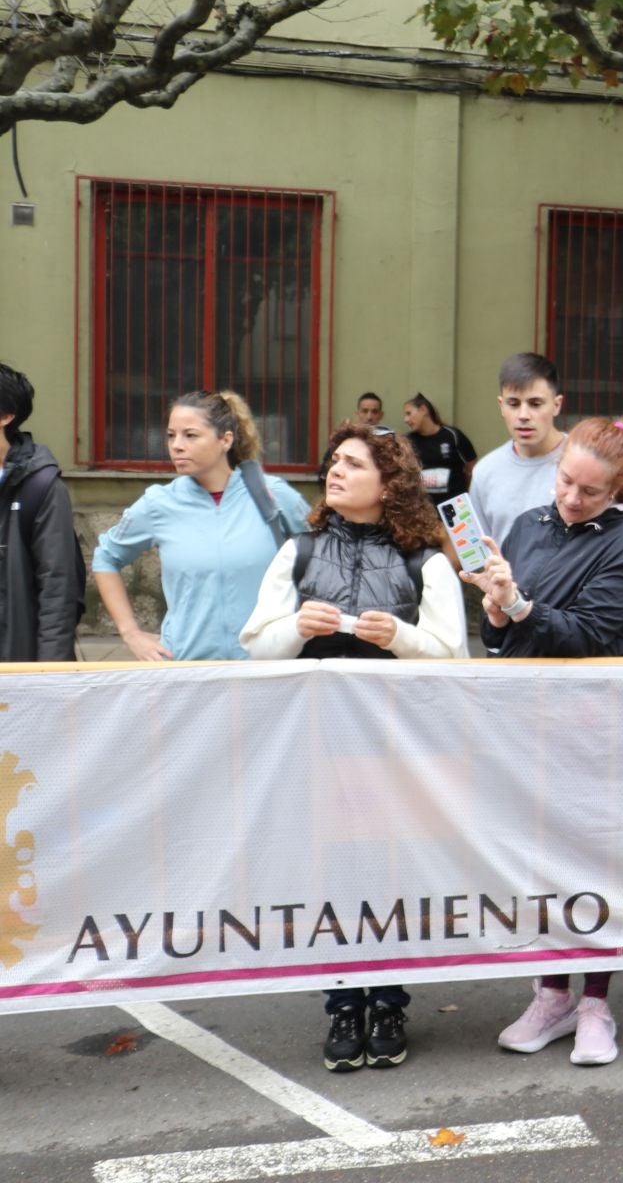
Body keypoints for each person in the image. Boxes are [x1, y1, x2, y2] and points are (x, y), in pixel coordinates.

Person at [238, 424, 468, 1072]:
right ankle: (343, 1005)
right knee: (332, 874)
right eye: (333, 461)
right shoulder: (299, 552)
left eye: (351, 464)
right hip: (317, 742)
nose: (334, 471)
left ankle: (390, 1001)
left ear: (388, 481)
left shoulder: (427, 563)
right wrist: (292, 627)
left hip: (400, 749)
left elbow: (456, 659)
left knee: (391, 876)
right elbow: (254, 645)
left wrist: (400, 636)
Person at [481, 418, 623, 1064]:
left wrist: (520, 607)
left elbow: (589, 633)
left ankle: (596, 1004)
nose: (571, 498)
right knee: (543, 864)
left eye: (589, 490)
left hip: (595, 724)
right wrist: (498, 610)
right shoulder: (527, 525)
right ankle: (553, 992)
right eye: (564, 480)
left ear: (617, 489)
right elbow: (504, 641)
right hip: (527, 721)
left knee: (594, 863)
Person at [93, 391, 310, 662]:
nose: (177, 446)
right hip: (188, 670)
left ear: (225, 440)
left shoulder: (273, 496)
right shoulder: (158, 503)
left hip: (265, 668)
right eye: (171, 435)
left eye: (190, 435)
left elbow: (323, 557)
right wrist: (130, 633)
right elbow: (106, 558)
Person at [0, 364, 82, 663]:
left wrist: (50, 675)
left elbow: (57, 588)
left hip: (15, 665)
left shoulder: (39, 485)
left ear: (6, 416)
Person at [469, 353, 567, 551]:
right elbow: (479, 554)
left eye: (535, 404)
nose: (523, 415)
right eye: (513, 404)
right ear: (501, 406)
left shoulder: (584, 462)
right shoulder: (485, 472)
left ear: (556, 405)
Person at [401, 393, 478, 507]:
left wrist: (464, 491)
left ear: (423, 410)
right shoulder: (407, 441)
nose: (406, 419)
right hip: (424, 509)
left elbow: (471, 466)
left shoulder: (452, 435)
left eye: (409, 413)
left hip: (455, 507)